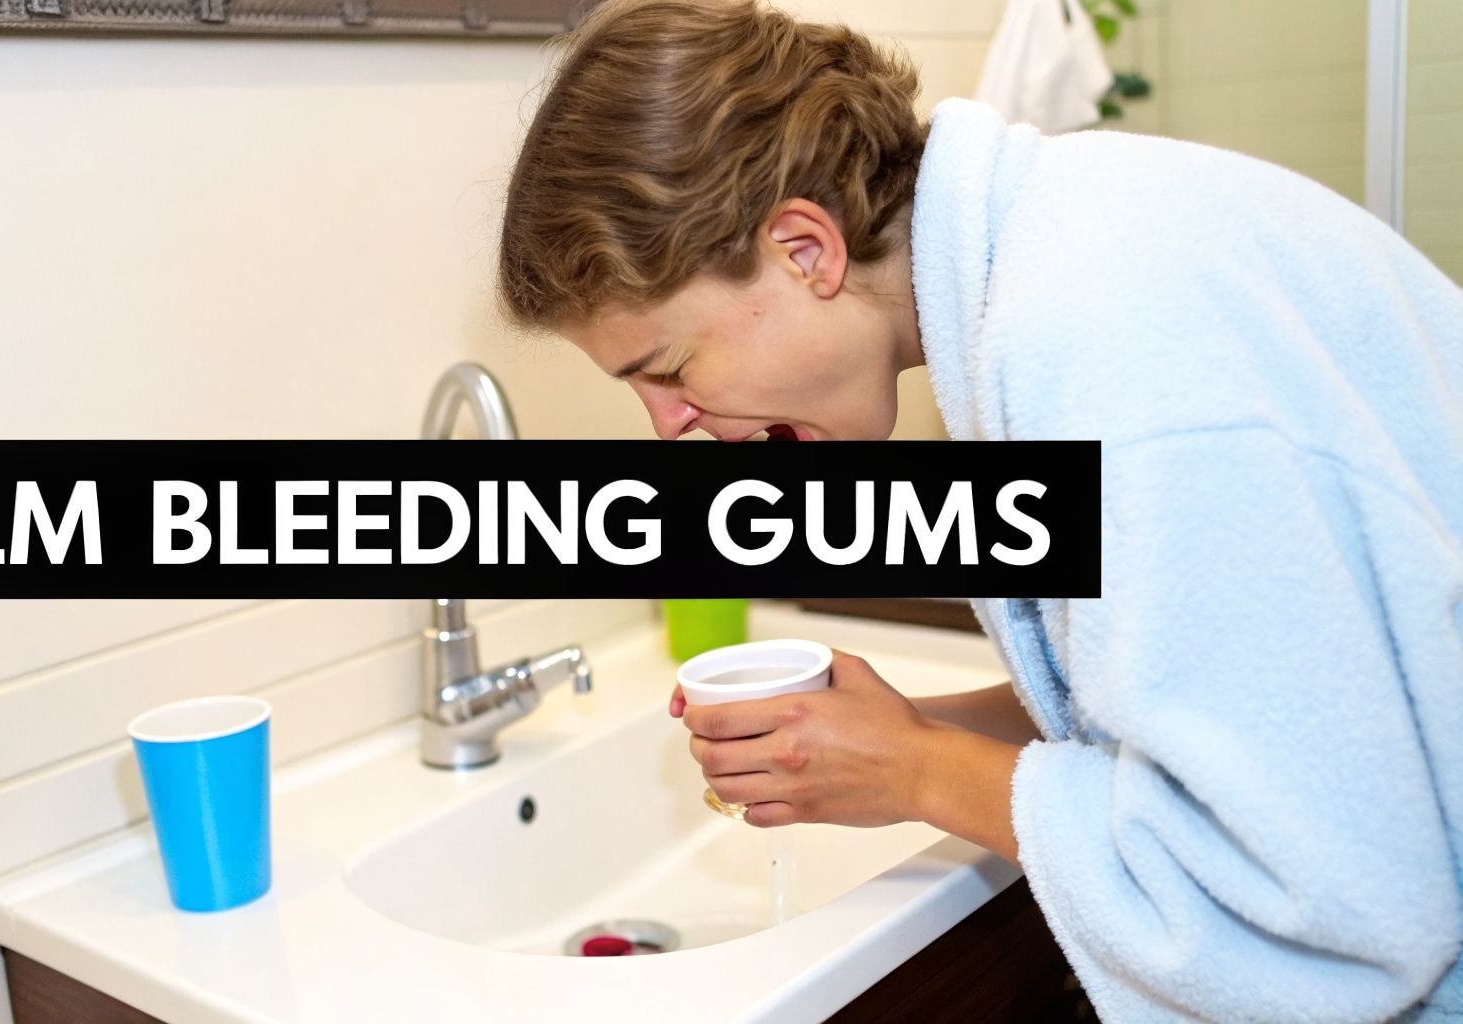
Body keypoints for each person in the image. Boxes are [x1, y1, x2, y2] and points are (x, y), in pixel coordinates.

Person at [494, 0, 1463, 1020]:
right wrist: (901, 730)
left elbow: (1333, 905)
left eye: (670, 366)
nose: (667, 425)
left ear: (803, 250)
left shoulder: (1104, 336)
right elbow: (1205, 690)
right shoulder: (1059, 250)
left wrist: (917, 769)